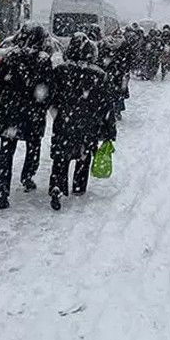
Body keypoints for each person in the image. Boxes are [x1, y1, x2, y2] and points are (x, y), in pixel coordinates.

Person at [49, 32, 117, 211]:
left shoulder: (60, 71)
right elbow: (107, 106)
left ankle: (57, 186)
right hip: (88, 123)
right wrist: (110, 131)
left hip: (64, 121)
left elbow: (51, 96)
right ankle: (78, 187)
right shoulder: (99, 75)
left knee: (60, 157)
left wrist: (57, 111)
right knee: (83, 156)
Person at [0, 24, 53, 210]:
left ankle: (1, 189)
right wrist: (42, 104)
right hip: (33, 112)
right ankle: (27, 176)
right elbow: (48, 89)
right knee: (33, 145)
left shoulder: (10, 57)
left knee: (6, 150)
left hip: (9, 111)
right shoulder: (43, 60)